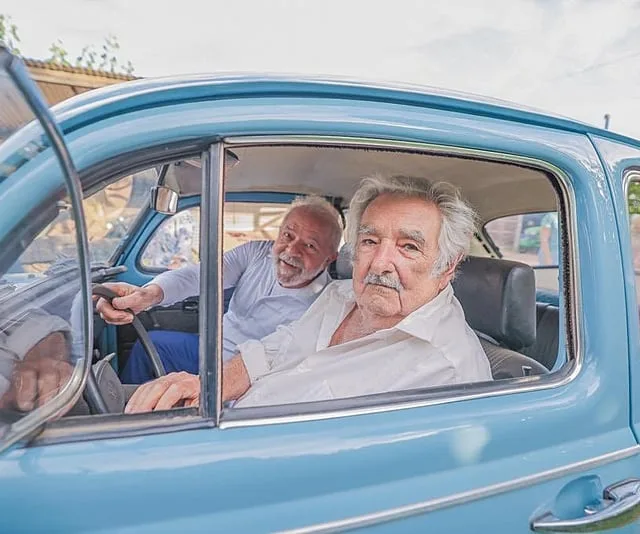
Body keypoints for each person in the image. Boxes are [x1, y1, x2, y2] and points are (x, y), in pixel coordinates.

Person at [124, 175, 492, 413]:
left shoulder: (449, 370)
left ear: (446, 266)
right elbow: (275, 350)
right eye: (370, 240)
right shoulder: (340, 295)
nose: (380, 262)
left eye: (409, 247)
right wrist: (206, 386)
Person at [96, 196, 343, 383]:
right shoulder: (256, 252)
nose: (291, 251)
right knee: (152, 346)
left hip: (251, 378)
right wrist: (149, 295)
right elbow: (200, 276)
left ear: (329, 258)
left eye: (310, 245)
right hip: (210, 349)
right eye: (288, 235)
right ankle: (130, 421)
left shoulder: (328, 304)